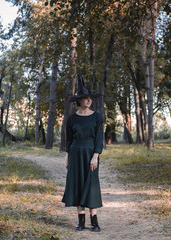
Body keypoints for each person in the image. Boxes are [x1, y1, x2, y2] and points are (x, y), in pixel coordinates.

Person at [62, 74, 103, 232]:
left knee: (92, 185)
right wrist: (67, 157)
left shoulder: (97, 117)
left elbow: (99, 139)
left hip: (90, 153)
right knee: (78, 184)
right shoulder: (72, 119)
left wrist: (95, 156)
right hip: (75, 154)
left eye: (90, 98)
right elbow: (69, 140)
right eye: (85, 98)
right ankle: (81, 221)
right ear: (79, 101)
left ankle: (94, 221)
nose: (88, 100)